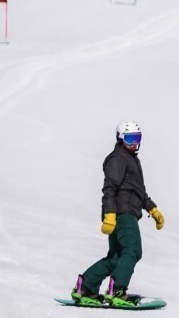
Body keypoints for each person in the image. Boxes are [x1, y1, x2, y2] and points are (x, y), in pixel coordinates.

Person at [70, 121, 165, 307]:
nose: (134, 143)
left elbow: (137, 191)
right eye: (129, 138)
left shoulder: (130, 159)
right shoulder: (118, 158)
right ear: (120, 139)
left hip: (123, 212)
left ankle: (86, 287)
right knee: (133, 251)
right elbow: (109, 189)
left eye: (137, 138)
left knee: (116, 257)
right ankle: (118, 290)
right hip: (122, 213)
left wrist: (152, 209)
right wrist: (110, 214)